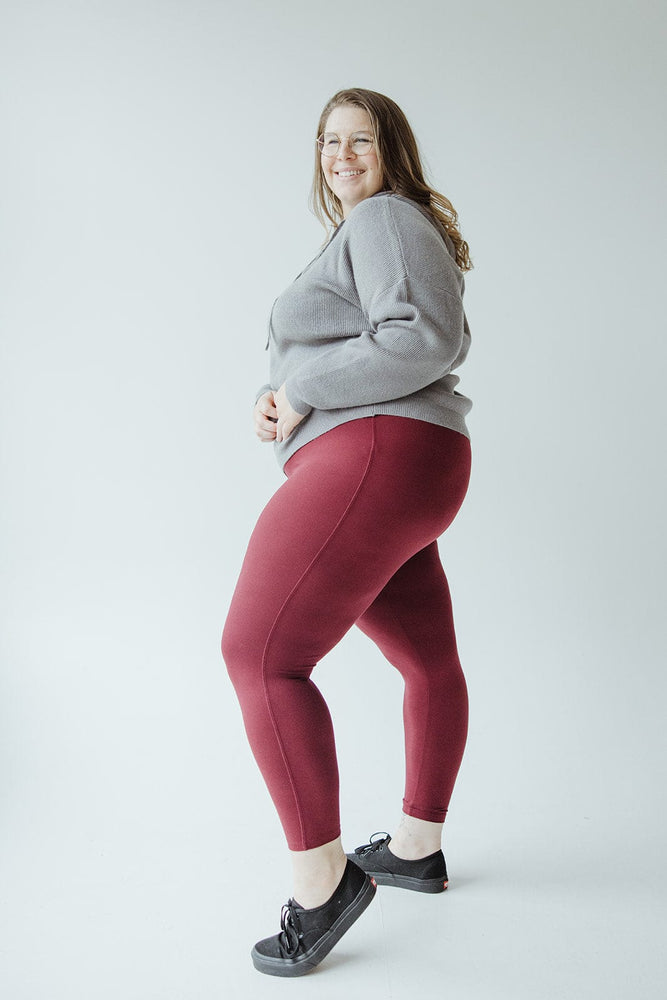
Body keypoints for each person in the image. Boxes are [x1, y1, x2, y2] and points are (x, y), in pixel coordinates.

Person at [221, 87, 474, 978]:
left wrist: (301, 394)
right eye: (329, 140)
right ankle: (414, 846)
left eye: (359, 139)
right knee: (425, 660)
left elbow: (424, 337)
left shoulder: (384, 218)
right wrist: (282, 398)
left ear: (390, 149)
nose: (340, 154)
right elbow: (377, 343)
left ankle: (321, 885)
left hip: (374, 456)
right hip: (407, 462)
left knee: (259, 656)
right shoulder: (368, 229)